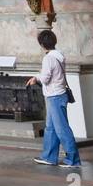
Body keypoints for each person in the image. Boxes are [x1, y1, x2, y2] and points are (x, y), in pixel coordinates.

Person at [27, 29, 81, 168]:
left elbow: (45, 78)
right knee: (50, 128)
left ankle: (73, 159)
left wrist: (36, 77)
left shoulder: (49, 58)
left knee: (62, 129)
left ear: (42, 44)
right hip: (57, 94)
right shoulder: (59, 55)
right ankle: (49, 157)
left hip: (55, 96)